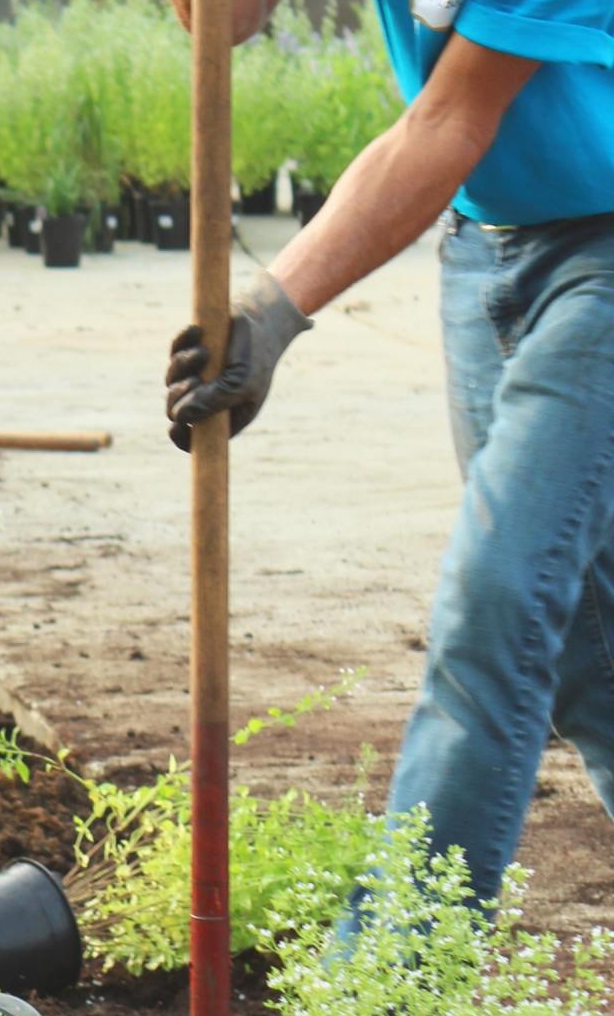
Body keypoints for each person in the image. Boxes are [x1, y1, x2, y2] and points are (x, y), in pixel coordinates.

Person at [164, 1, 614, 918]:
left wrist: (272, 311)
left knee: (503, 599)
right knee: (585, 652)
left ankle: (385, 1006)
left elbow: (451, 116)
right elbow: (228, 21)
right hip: (486, 245)